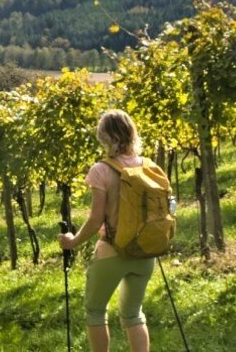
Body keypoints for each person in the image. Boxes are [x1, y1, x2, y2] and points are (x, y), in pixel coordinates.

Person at [58, 109, 153, 352]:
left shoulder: (101, 170)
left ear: (104, 137)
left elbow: (95, 219)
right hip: (145, 252)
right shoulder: (149, 166)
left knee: (95, 311)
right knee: (133, 314)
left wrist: (73, 241)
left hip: (112, 252)